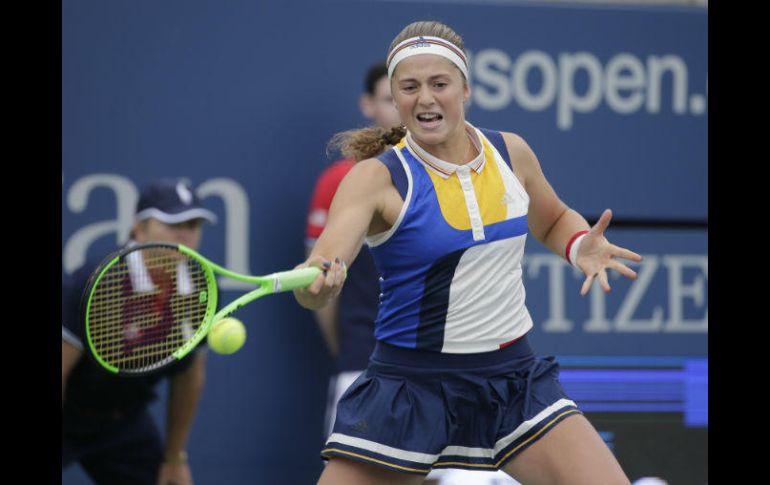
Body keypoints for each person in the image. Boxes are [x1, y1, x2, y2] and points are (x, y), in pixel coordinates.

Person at [294, 20, 641, 485]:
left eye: (440, 84)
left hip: (512, 382)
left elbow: (554, 218)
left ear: (466, 88)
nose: (426, 98)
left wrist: (579, 244)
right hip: (408, 389)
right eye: (410, 87)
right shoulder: (375, 179)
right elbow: (325, 265)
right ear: (395, 99)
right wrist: (318, 285)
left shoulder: (511, 153)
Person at [62, 178, 218, 485]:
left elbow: (189, 376)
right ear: (139, 228)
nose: (185, 233)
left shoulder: (201, 288)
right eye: (173, 223)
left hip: (124, 421)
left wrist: (174, 458)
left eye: (193, 224)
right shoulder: (98, 282)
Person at [305, 61, 401, 439]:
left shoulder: (455, 176)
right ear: (368, 105)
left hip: (446, 369)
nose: (401, 107)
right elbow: (320, 284)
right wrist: (348, 350)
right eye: (390, 97)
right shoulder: (339, 183)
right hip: (364, 362)